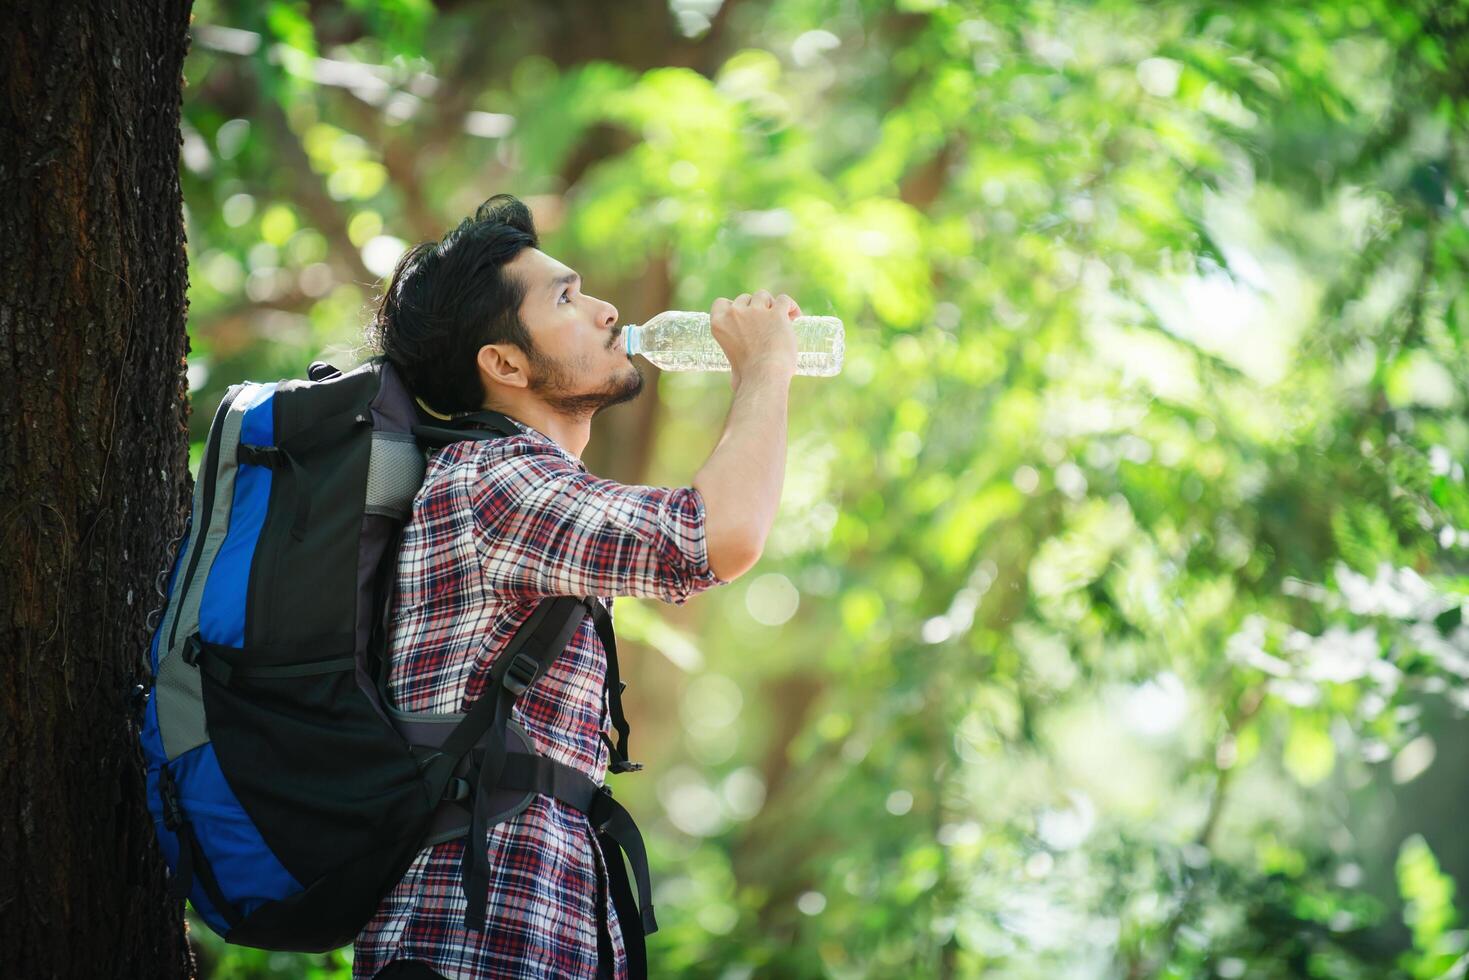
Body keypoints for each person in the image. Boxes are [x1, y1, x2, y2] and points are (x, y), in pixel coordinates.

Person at [354, 194, 800, 980]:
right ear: (505, 363)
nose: (604, 310)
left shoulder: (518, 483)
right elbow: (716, 536)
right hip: (470, 943)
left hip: (522, 926)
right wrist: (765, 368)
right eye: (564, 297)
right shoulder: (493, 480)